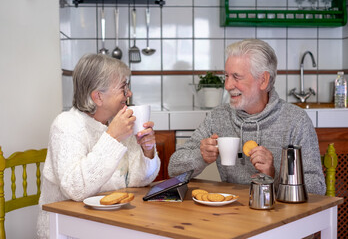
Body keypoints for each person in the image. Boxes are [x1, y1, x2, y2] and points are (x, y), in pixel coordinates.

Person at [168, 39, 326, 195]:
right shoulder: (218, 117)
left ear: (263, 80)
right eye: (227, 76)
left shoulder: (296, 120)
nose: (228, 86)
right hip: (233, 214)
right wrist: (201, 156)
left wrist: (273, 175)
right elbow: (173, 168)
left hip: (283, 215)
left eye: (236, 77)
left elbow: (317, 188)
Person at [37, 54, 160, 238]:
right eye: (123, 87)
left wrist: (147, 150)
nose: (129, 93)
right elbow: (76, 189)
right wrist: (113, 137)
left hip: (110, 223)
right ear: (98, 97)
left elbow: (138, 181)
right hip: (67, 230)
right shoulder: (66, 125)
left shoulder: (115, 123)